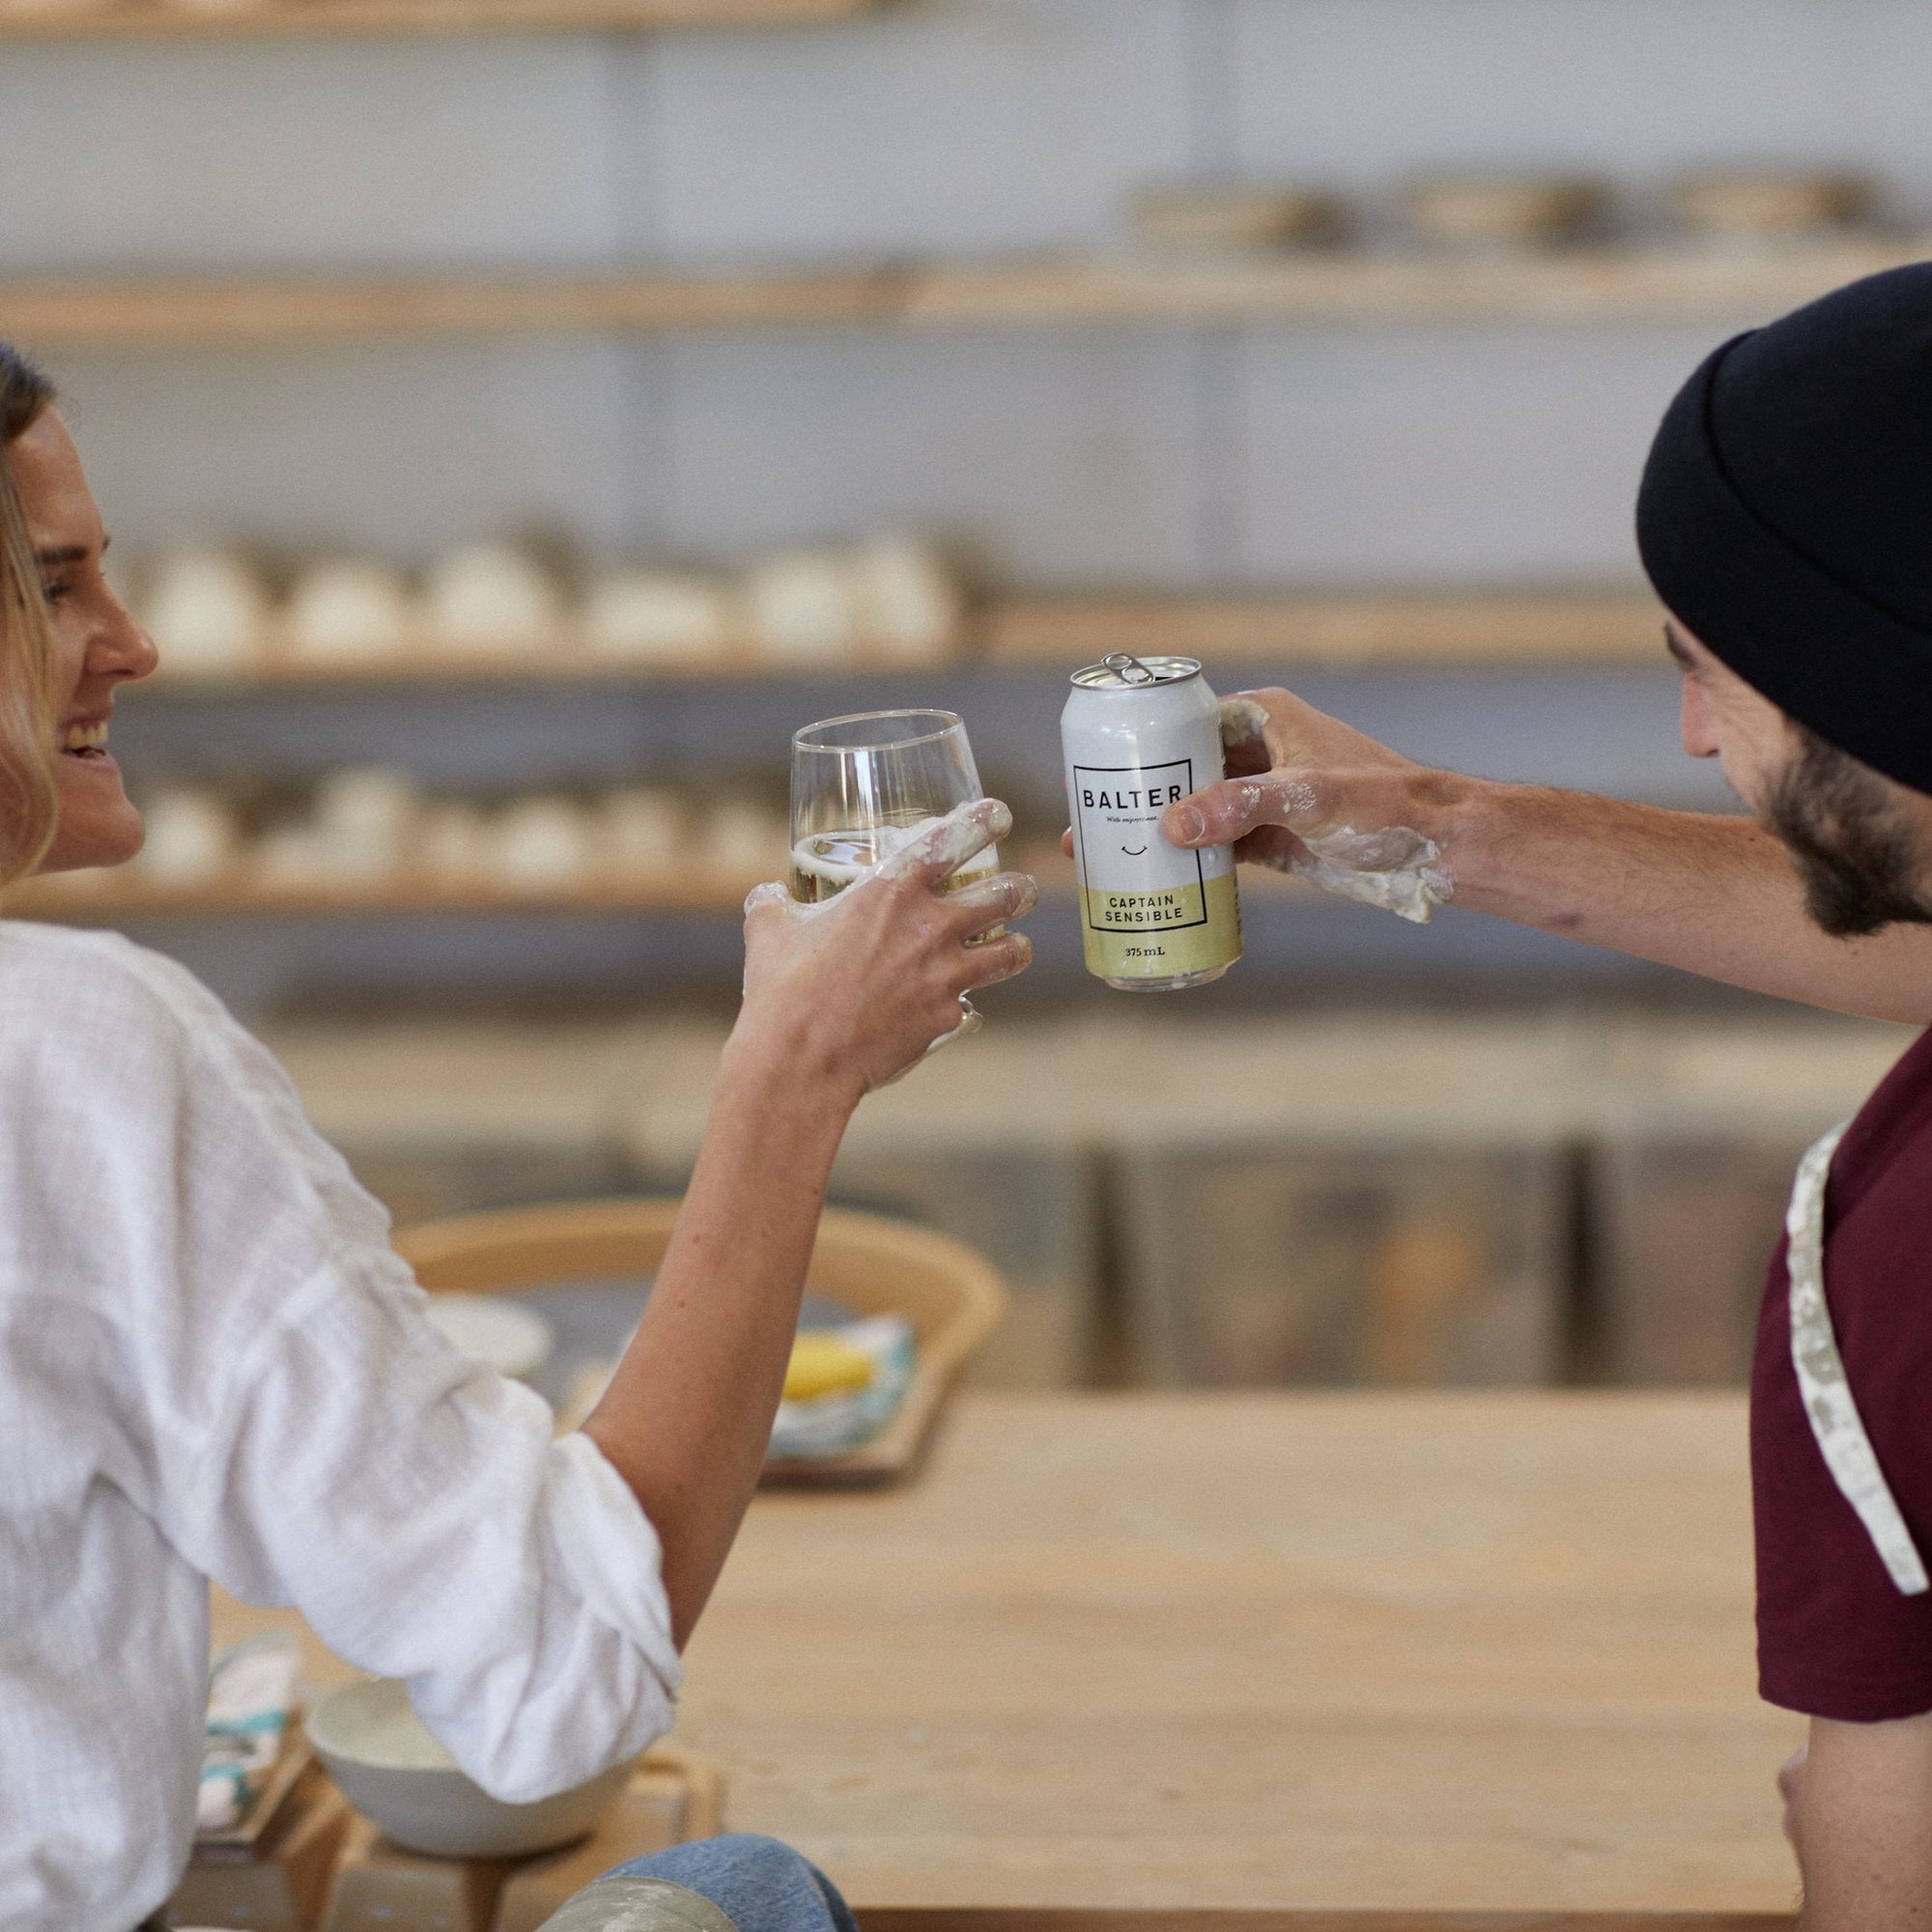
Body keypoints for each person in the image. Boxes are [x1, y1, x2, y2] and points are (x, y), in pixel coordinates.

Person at [0, 342, 1037, 1932]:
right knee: (746, 1893)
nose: (130, 646)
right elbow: (555, 1671)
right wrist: (790, 1081)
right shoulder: (75, 1053)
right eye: (54, 588)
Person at [1162, 264, 1932, 1931]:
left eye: (1711, 671)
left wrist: (1847, 1840)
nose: (1684, 734)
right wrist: (1432, 820)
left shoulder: (1916, 1245)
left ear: (1871, 682)